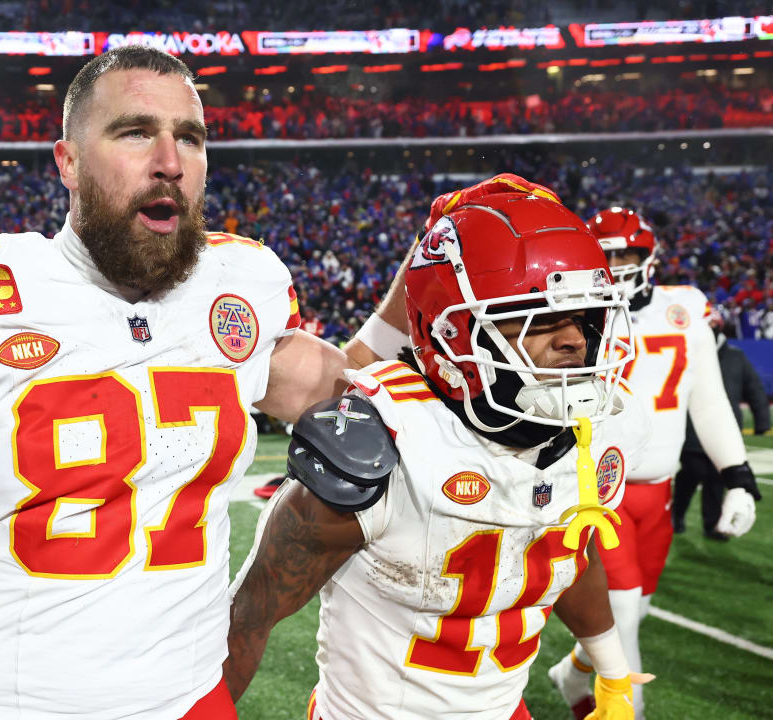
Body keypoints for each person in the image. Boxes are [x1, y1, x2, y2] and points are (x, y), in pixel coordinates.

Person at [0, 46, 412, 720]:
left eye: (190, 138)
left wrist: (419, 276)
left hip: (196, 701)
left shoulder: (239, 289)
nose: (170, 160)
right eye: (136, 131)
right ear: (68, 162)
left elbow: (355, 388)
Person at [225, 186, 651, 720]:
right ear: (454, 332)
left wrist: (610, 667)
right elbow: (249, 615)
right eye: (536, 316)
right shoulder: (386, 445)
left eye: (585, 316)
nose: (575, 342)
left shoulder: (594, 432)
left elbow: (562, 552)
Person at [548, 207, 762, 718]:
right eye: (609, 255)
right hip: (601, 492)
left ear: (649, 257)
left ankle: (571, 673)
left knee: (632, 614)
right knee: (619, 614)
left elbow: (707, 400)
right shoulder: (569, 318)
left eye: (628, 254)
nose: (619, 264)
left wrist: (736, 474)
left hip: (659, 495)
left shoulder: (684, 309)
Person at [675, 320, 770, 538]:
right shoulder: (685, 350)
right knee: (690, 474)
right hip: (691, 430)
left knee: (716, 480)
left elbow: (754, 388)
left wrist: (762, 421)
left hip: (724, 432)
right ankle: (677, 516)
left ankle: (713, 524)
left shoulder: (736, 357)